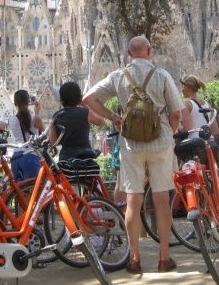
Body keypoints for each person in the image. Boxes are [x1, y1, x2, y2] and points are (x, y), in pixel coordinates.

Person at [83, 35, 184, 274]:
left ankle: (135, 259)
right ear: (149, 51)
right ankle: (164, 258)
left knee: (132, 201)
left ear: (129, 54)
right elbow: (177, 112)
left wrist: (114, 118)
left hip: (130, 144)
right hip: (160, 143)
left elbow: (88, 99)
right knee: (161, 200)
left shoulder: (119, 76)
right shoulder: (161, 75)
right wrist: (170, 133)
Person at [48, 81, 105, 160]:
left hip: (66, 161)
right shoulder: (84, 112)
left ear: (61, 98)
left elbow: (52, 142)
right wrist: (84, 103)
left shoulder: (57, 116)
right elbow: (101, 121)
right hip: (85, 160)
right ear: (79, 96)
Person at [9, 89, 44, 180]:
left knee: (19, 192)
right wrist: (37, 112)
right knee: (33, 191)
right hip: (30, 156)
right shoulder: (35, 118)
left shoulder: (11, 119)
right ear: (28, 102)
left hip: (15, 157)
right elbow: (44, 134)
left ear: (15, 103)